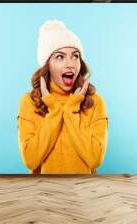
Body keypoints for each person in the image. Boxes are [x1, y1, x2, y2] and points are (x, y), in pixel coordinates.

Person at [17, 20, 109, 174]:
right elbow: (30, 159)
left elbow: (94, 158)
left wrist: (71, 108)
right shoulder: (29, 102)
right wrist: (54, 109)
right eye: (60, 57)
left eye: (75, 56)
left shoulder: (95, 102)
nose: (70, 64)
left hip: (82, 192)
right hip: (44, 194)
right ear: (47, 66)